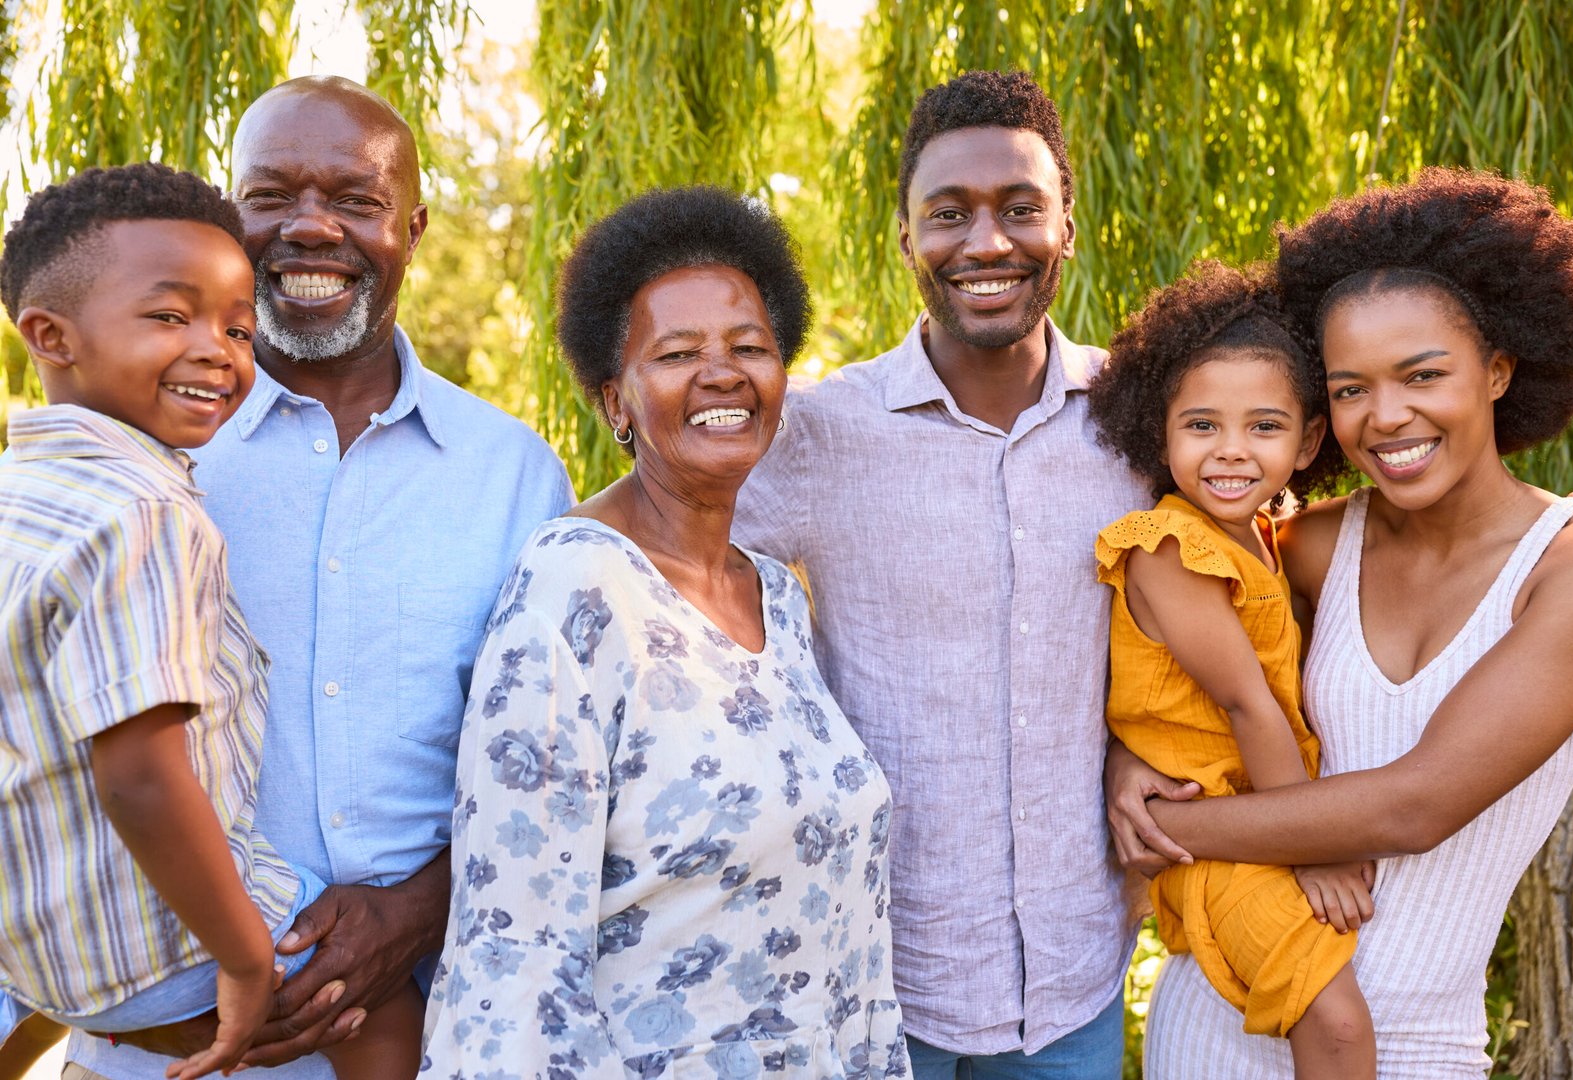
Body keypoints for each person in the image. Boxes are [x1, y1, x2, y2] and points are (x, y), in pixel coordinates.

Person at [63, 78, 575, 1080]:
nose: (310, 227)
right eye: (273, 196)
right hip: (157, 1047)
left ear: (412, 229)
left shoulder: (514, 474)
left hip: (427, 1031)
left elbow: (553, 763)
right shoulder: (137, 461)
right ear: (228, 216)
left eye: (353, 199)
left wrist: (412, 915)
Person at [1105, 169, 1573, 1077]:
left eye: (1422, 375)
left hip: (1410, 1047)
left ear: (1498, 370)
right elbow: (1186, 670)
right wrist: (1128, 763)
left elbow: (1410, 806)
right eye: (1348, 389)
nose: (1386, 417)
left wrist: (1163, 825)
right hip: (1217, 1014)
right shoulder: (1304, 544)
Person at [418, 186, 909, 1080]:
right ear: (617, 401)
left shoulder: (775, 599)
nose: (721, 373)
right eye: (677, 353)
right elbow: (515, 958)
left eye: (749, 349)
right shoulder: (575, 592)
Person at [734, 70, 1150, 1077]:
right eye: (947, 214)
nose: (985, 243)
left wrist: (1143, 749)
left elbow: (1233, 587)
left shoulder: (1141, 418)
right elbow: (669, 579)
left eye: (1018, 210)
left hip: (1074, 979)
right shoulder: (819, 433)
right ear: (905, 239)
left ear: (1066, 228)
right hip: (873, 976)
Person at [0, 163, 418, 1080]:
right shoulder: (143, 513)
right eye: (169, 317)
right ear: (49, 334)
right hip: (162, 940)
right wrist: (241, 956)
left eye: (237, 326)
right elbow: (142, 778)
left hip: (42, 939)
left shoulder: (21, 494)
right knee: (378, 1000)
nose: (220, 351)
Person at [1086, 261, 1373, 1076]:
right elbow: (1248, 704)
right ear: (1162, 431)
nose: (1230, 453)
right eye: (1202, 426)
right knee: (1340, 1024)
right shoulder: (1168, 549)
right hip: (1221, 841)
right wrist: (1312, 847)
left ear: (1309, 440)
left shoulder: (1260, 536)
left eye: (1263, 428)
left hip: (1253, 822)